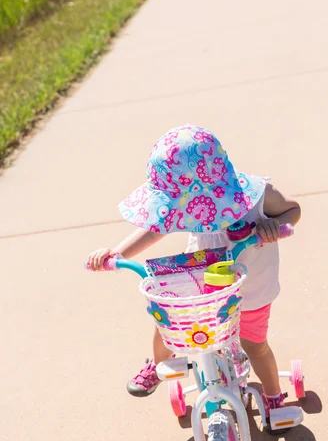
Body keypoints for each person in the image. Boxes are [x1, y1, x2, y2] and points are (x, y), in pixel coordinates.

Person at [86, 124, 301, 418]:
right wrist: (118, 253)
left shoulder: (258, 196)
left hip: (251, 289)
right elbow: (153, 231)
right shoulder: (177, 201)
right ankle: (157, 363)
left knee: (255, 344)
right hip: (201, 284)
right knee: (168, 322)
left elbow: (293, 210)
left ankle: (274, 396)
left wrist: (273, 226)